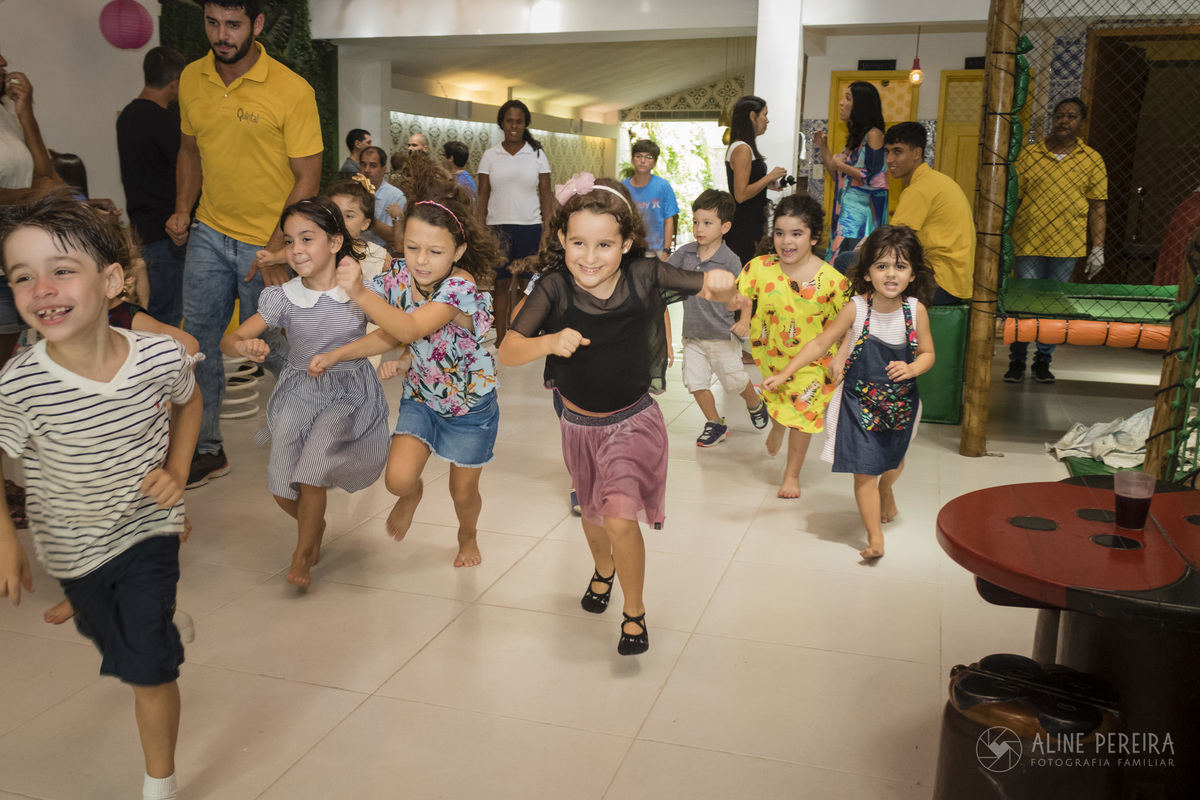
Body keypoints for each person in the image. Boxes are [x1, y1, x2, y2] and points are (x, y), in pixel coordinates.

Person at [0, 193, 202, 800]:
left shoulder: (158, 356)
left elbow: (188, 401)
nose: (42, 289)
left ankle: (158, 784)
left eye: (62, 270)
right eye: (21, 277)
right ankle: (148, 625)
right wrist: (6, 538)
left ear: (113, 281)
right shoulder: (21, 384)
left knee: (146, 665)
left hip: (149, 527)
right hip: (71, 546)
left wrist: (178, 469)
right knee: (109, 634)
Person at [498, 174, 747, 655]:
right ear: (563, 241)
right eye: (578, 243)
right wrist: (548, 342)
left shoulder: (645, 273)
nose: (589, 257)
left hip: (633, 422)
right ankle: (604, 570)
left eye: (604, 245)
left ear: (626, 242)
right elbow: (509, 348)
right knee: (592, 515)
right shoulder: (553, 287)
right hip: (577, 426)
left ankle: (634, 612)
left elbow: (708, 288)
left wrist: (721, 284)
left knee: (617, 518)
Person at [313, 163, 501, 569]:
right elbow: (389, 332)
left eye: (435, 252)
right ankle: (413, 495)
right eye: (412, 247)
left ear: (458, 252)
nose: (421, 261)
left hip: (471, 407)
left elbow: (411, 327)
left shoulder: (460, 287)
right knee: (397, 480)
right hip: (422, 396)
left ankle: (466, 535)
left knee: (462, 493)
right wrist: (336, 354)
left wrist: (361, 292)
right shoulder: (398, 278)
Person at [167, 0, 323, 488]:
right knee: (199, 343)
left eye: (233, 25)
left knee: (277, 347)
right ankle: (206, 449)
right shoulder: (193, 78)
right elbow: (190, 150)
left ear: (256, 25)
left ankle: (323, 425)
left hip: (267, 241)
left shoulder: (292, 90)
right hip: (209, 233)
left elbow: (308, 176)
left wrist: (279, 250)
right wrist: (182, 207)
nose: (222, 35)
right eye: (212, 23)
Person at [221, 197, 389, 586]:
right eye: (289, 241)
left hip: (348, 392)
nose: (296, 250)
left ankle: (302, 552)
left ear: (334, 243)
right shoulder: (283, 297)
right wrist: (245, 346)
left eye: (306, 239)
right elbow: (230, 341)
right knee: (282, 484)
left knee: (313, 467)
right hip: (300, 391)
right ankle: (313, 524)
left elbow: (392, 332)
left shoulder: (361, 292)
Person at [763, 225, 935, 559]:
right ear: (868, 273)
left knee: (893, 463)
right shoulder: (857, 308)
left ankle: (887, 489)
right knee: (864, 470)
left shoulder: (916, 311)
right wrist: (786, 371)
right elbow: (819, 342)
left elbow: (928, 353)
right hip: (857, 402)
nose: (890, 274)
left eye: (900, 267)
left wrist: (913, 368)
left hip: (900, 404)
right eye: (882, 266)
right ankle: (875, 539)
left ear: (913, 274)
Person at [736, 194, 850, 499]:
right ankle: (777, 424)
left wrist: (841, 355)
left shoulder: (834, 282)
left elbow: (854, 321)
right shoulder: (760, 267)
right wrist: (738, 310)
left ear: (813, 238)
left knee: (802, 412)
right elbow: (741, 294)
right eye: (780, 233)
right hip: (771, 352)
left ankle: (791, 475)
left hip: (815, 359)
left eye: (796, 234)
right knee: (777, 394)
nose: (786, 241)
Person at [1006, 97, 1107, 384]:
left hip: (1067, 244)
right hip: (1028, 241)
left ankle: (1043, 361)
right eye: (1059, 115)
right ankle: (1016, 360)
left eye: (1071, 116)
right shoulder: (1029, 154)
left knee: (1053, 306)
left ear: (1082, 123)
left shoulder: (1091, 159)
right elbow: (1013, 197)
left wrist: (1098, 247)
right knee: (1024, 304)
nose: (1064, 121)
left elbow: (1098, 204)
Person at [670, 188, 768, 446]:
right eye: (695, 222)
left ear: (725, 227)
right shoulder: (684, 253)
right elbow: (663, 275)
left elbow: (745, 295)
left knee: (734, 381)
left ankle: (754, 402)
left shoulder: (729, 260)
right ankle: (715, 423)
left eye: (707, 223)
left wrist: (745, 320)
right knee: (695, 381)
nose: (698, 228)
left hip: (722, 336)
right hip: (691, 335)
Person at [117, 47, 189, 327]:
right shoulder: (163, 120)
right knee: (166, 319)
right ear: (175, 83)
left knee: (149, 313)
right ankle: (163, 371)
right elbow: (188, 167)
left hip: (141, 230)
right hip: (166, 232)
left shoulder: (126, 117)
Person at [0, 50, 61, 370]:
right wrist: (30, 195)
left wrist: (25, 114)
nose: (4, 63)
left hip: (15, 257)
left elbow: (44, 174)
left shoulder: (5, 114)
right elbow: (37, 188)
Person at [476, 99, 553, 345]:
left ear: (525, 124)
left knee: (526, 286)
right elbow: (482, 197)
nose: (514, 125)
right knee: (500, 286)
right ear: (502, 123)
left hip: (530, 228)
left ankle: (522, 338)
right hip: (497, 229)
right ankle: (500, 339)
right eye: (509, 120)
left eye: (519, 121)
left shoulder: (538, 155)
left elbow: (546, 198)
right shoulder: (490, 156)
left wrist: (546, 232)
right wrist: (479, 231)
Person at [884, 122, 975, 305]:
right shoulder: (937, 180)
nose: (889, 159)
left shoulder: (919, 189)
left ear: (917, 153)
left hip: (939, 283)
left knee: (848, 261)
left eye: (898, 151)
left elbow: (891, 244)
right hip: (958, 283)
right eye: (888, 152)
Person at [814, 81, 888, 271]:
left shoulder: (874, 134)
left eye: (848, 98)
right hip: (844, 214)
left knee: (855, 268)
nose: (841, 103)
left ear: (861, 105)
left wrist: (840, 163)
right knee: (840, 266)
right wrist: (823, 148)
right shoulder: (855, 139)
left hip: (862, 219)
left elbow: (873, 177)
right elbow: (838, 177)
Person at [724, 95, 787, 266]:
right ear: (753, 116)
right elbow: (741, 194)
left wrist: (767, 184)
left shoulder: (744, 147)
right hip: (745, 225)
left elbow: (747, 183)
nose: (767, 120)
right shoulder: (742, 148)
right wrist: (769, 176)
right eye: (765, 115)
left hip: (752, 220)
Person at [623, 139, 679, 257]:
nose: (643, 161)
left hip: (657, 251)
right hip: (630, 250)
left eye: (648, 157)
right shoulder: (623, 187)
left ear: (654, 163)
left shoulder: (663, 186)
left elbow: (669, 221)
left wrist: (667, 251)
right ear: (632, 160)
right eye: (639, 156)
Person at [358, 145, 406, 250]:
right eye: (363, 165)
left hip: (381, 254)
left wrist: (366, 213)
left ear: (383, 170)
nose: (366, 170)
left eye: (373, 166)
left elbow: (391, 236)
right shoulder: (352, 191)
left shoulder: (395, 196)